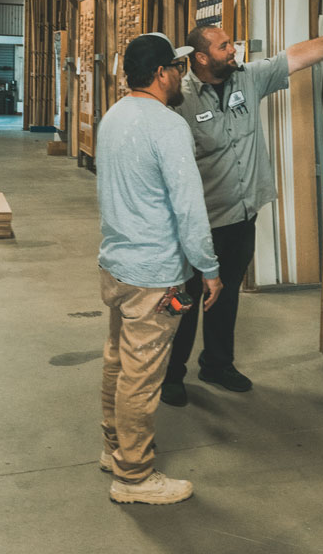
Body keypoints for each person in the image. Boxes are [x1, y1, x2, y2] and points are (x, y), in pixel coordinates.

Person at [160, 19, 323, 407]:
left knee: (226, 296)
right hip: (201, 221)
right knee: (188, 299)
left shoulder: (247, 80)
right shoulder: (181, 99)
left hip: (242, 214)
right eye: (225, 47)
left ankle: (218, 364)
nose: (234, 50)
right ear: (202, 57)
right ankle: (172, 374)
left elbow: (293, 58)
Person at [96, 32, 223, 505]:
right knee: (142, 376)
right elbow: (189, 210)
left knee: (117, 362)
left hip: (117, 266)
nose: (183, 75)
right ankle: (133, 477)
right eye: (177, 67)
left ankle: (116, 450)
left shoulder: (114, 116)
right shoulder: (168, 127)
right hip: (154, 273)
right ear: (161, 74)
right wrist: (208, 268)